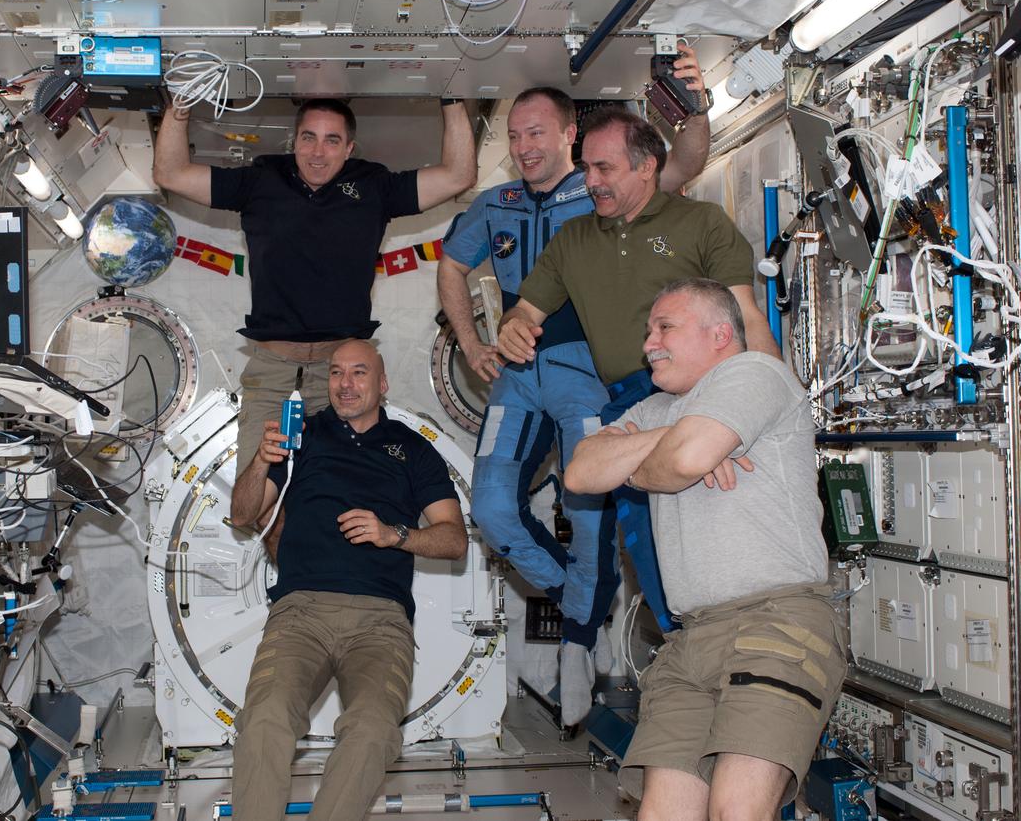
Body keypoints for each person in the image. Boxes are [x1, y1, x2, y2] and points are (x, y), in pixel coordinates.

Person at [438, 48, 712, 726]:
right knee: (495, 511)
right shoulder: (494, 204)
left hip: (587, 375)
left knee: (588, 514)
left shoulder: (598, 192)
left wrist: (697, 111)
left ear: (569, 136)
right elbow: (449, 266)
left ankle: (584, 633)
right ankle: (583, 601)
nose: (525, 146)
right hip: (517, 381)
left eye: (539, 133)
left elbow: (685, 163)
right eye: (515, 135)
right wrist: (472, 342)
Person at [495, 105, 779, 641]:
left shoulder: (699, 224)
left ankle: (744, 640)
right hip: (626, 402)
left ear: (647, 166)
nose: (590, 181)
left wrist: (766, 404)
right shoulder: (573, 242)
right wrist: (512, 327)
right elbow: (525, 312)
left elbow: (747, 318)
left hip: (704, 392)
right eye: (586, 168)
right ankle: (681, 642)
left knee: (727, 516)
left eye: (605, 169)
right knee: (646, 538)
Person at [563, 279, 844, 821]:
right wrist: (675, 435)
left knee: (737, 811)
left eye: (664, 327)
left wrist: (662, 451)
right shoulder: (656, 408)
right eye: (649, 331)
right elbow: (581, 471)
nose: (649, 343)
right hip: (691, 640)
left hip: (775, 624)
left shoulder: (754, 373)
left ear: (720, 333)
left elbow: (688, 458)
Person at [153, 97, 476, 481]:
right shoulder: (261, 179)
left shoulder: (374, 186)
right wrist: (180, 105)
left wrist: (454, 97)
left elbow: (458, 175)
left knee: (336, 499)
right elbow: (170, 173)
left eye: (332, 140)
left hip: (340, 375)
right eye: (309, 138)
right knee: (253, 504)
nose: (318, 153)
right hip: (273, 373)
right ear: (294, 141)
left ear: (349, 148)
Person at [229, 339, 468, 821]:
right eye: (336, 373)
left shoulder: (413, 450)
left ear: (382, 384)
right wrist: (260, 460)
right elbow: (241, 514)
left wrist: (393, 534)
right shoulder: (303, 437)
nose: (345, 383)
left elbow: (454, 540)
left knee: (373, 729)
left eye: (359, 373)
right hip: (300, 613)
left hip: (380, 621)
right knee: (264, 720)